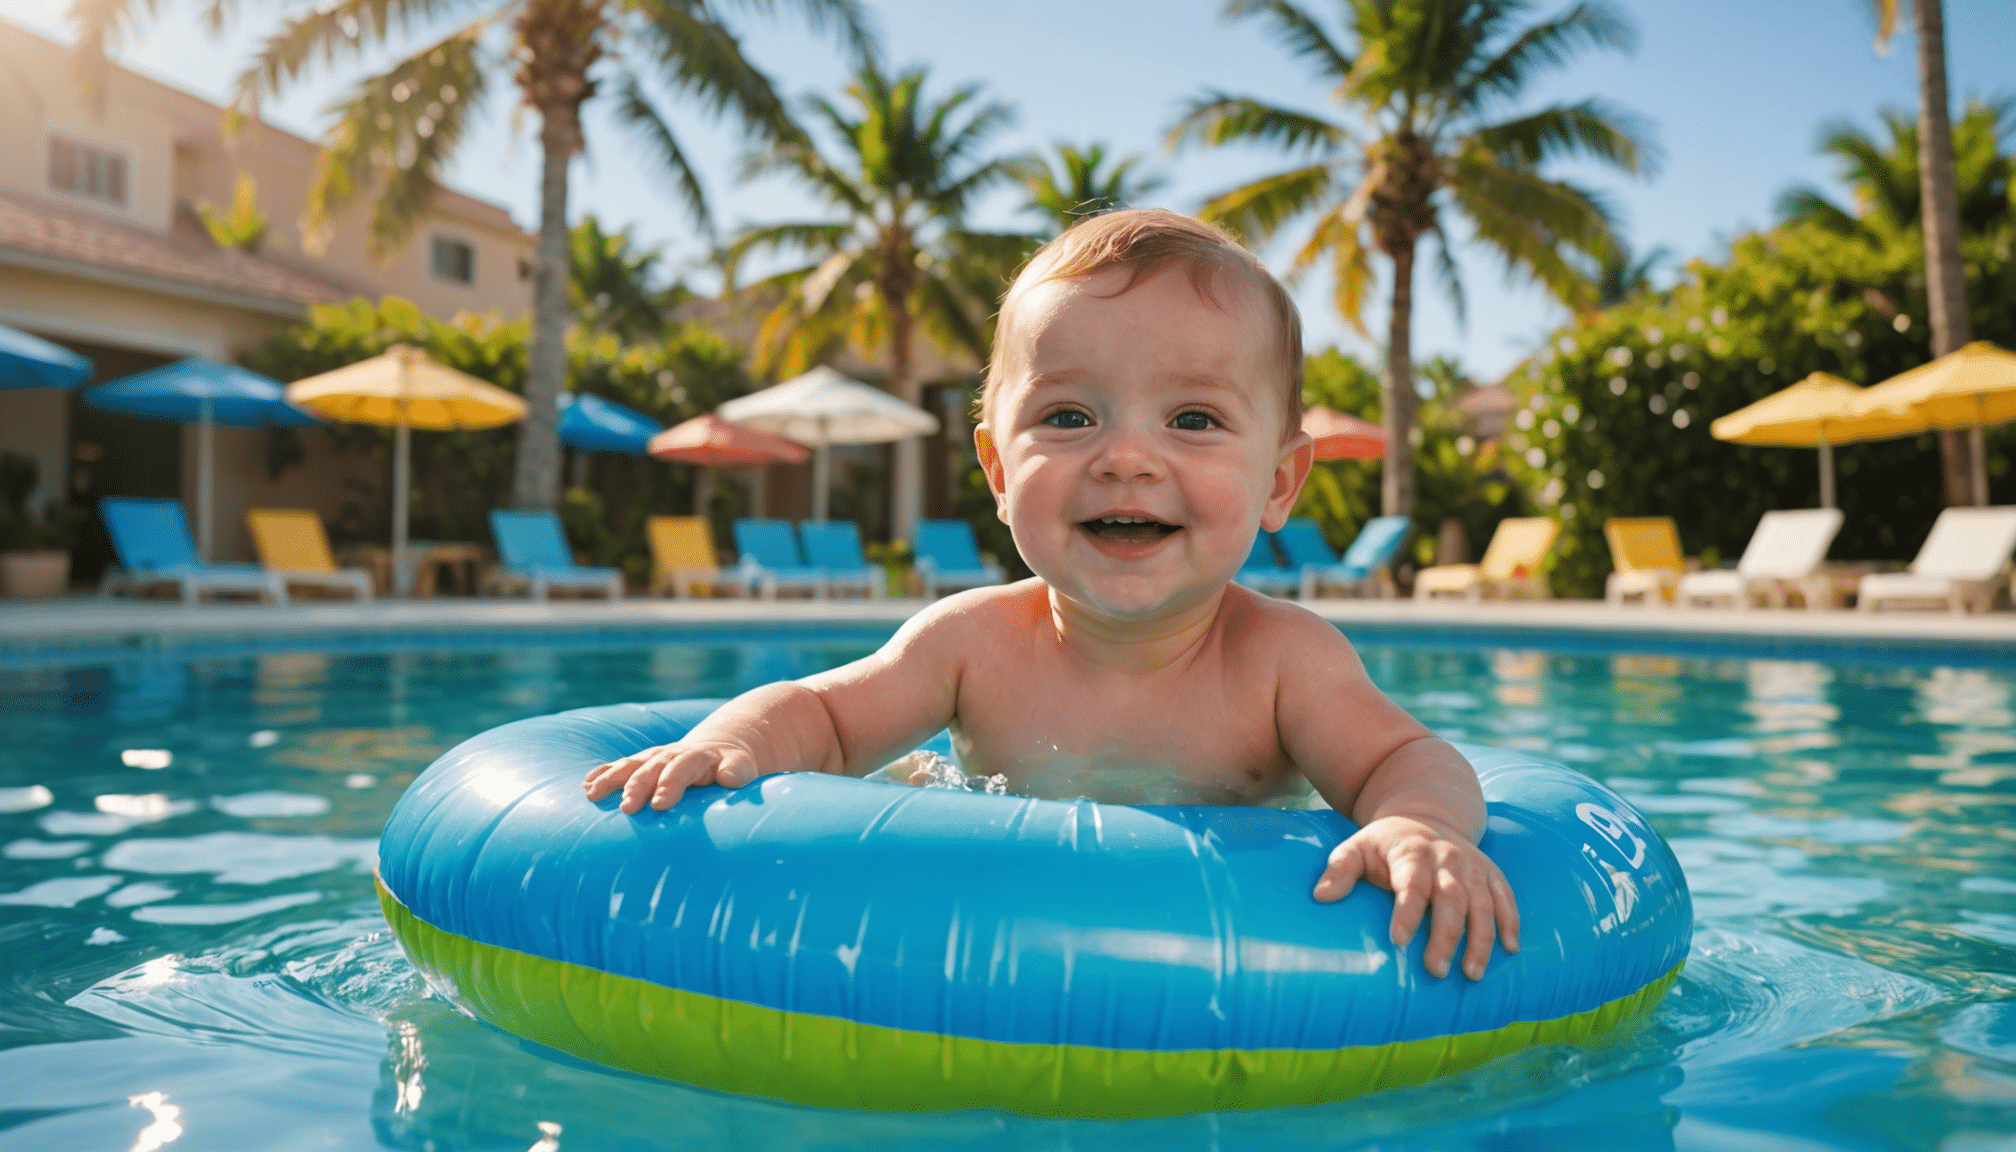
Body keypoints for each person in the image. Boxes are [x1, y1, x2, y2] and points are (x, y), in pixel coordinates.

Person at [584, 209, 1520, 981]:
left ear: (1280, 482)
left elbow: (1407, 756)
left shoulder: (1283, 663)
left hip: (1221, 966)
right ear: (997, 467)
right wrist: (731, 743)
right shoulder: (969, 643)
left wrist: (1418, 827)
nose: (1125, 457)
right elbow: (826, 721)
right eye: (1068, 416)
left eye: (1194, 419)